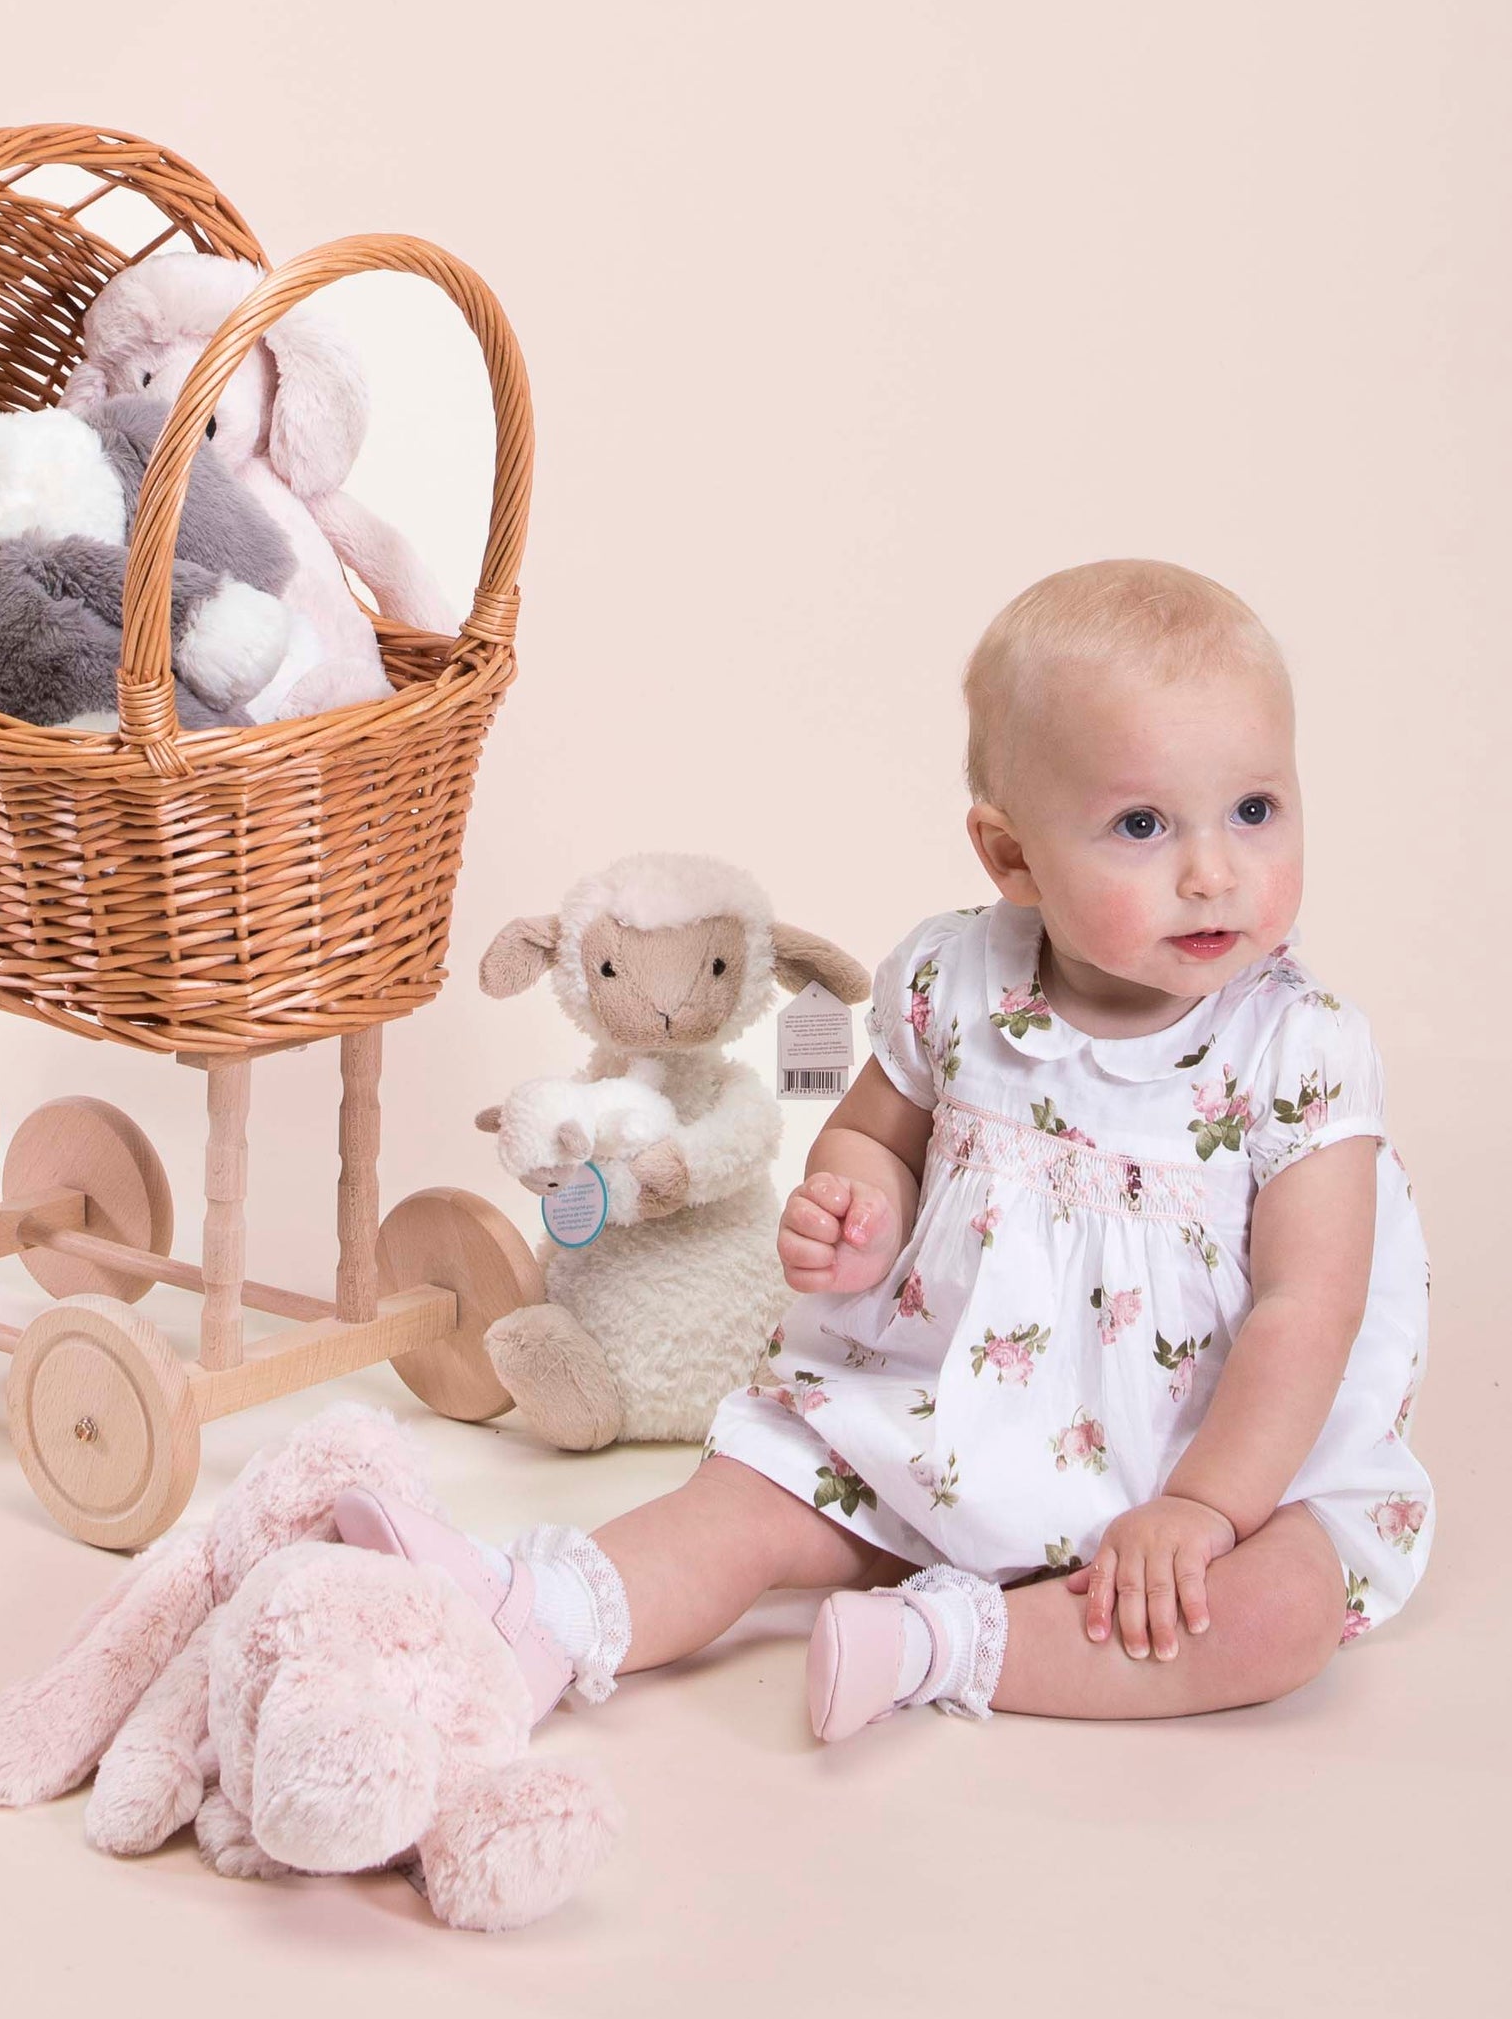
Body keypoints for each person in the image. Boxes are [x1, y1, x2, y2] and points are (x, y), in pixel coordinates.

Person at [338, 561, 1433, 1735]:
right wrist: (850, 1202)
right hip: (945, 1421)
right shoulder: (954, 981)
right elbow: (872, 1133)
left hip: (1203, 1458)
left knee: (1278, 1612)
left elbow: (1304, 1310)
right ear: (1010, 858)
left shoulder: (1297, 1049)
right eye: (1141, 825)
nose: (1213, 870)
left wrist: (1206, 1511)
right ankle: (532, 1613)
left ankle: (940, 1646)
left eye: (1254, 810)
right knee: (747, 1496)